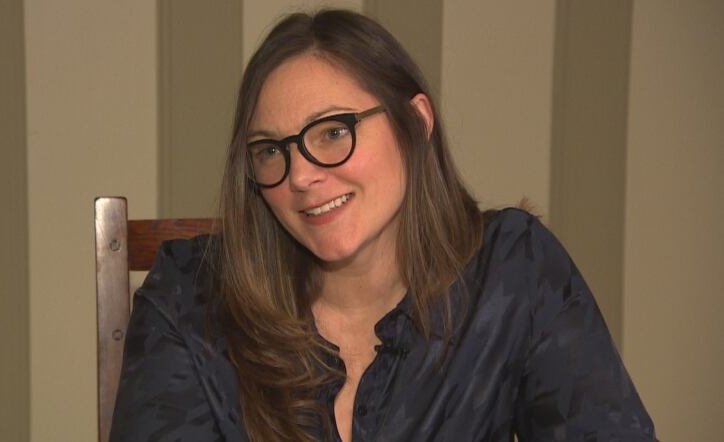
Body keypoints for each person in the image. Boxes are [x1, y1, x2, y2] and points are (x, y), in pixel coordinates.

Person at [109, 9, 656, 442]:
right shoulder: (187, 299)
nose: (300, 175)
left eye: (331, 132)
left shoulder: (513, 269)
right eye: (271, 150)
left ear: (416, 123)